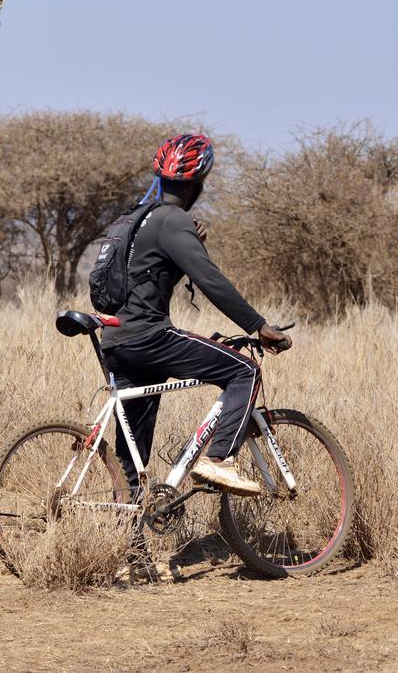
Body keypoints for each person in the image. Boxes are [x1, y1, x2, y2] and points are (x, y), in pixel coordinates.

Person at [102, 133, 292, 500]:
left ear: (162, 178)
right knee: (244, 371)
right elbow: (210, 279)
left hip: (115, 340)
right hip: (149, 338)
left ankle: (133, 552)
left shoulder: (132, 220)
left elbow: (149, 271)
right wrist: (259, 326)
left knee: (133, 457)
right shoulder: (174, 221)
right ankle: (219, 459)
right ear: (199, 184)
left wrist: (192, 240)